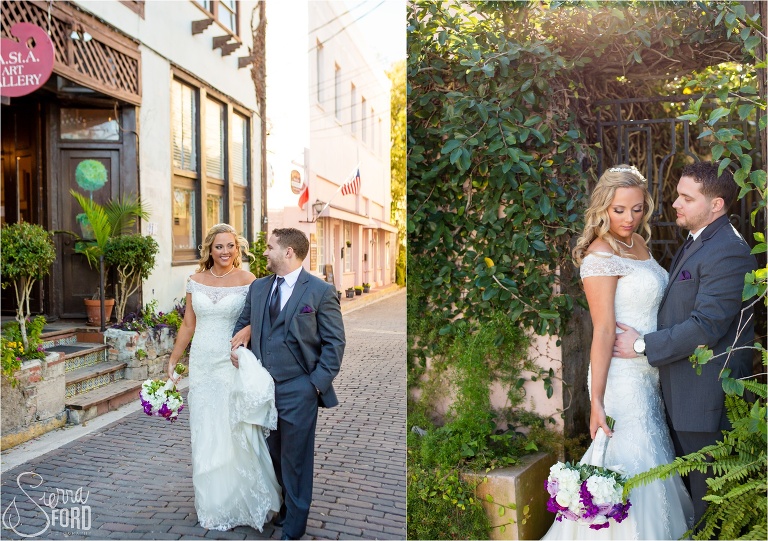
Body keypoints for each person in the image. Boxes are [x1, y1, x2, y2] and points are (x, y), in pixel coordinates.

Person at [542, 165, 693, 540]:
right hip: (621, 379)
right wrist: (595, 400)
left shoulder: (638, 243)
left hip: (648, 368)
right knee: (629, 462)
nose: (629, 218)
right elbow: (604, 329)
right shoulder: (600, 253)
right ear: (603, 207)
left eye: (637, 208)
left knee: (653, 460)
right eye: (619, 209)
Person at [613, 161, 757, 526]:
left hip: (705, 398)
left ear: (716, 205)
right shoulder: (700, 239)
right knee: (694, 500)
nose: (674, 203)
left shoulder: (727, 250)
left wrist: (643, 346)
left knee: (712, 509)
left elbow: (706, 325)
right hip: (684, 392)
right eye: (678, 194)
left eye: (686, 198)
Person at [230, 227, 345, 541]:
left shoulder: (320, 291)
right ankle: (282, 507)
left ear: (288, 252)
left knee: (296, 458)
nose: (265, 252)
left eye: (269, 248)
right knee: (272, 453)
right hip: (262, 388)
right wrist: (238, 350)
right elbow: (243, 325)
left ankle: (295, 524)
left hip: (299, 387)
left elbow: (335, 344)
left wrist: (314, 385)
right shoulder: (258, 288)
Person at [166, 223, 281, 531]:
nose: (225, 252)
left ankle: (242, 499)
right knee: (205, 429)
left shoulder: (248, 280)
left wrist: (247, 330)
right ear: (209, 249)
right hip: (203, 363)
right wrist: (175, 360)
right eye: (219, 246)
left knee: (234, 428)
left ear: (237, 249)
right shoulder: (194, 280)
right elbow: (188, 325)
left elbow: (259, 321)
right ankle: (213, 503)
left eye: (230, 246)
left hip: (231, 361)